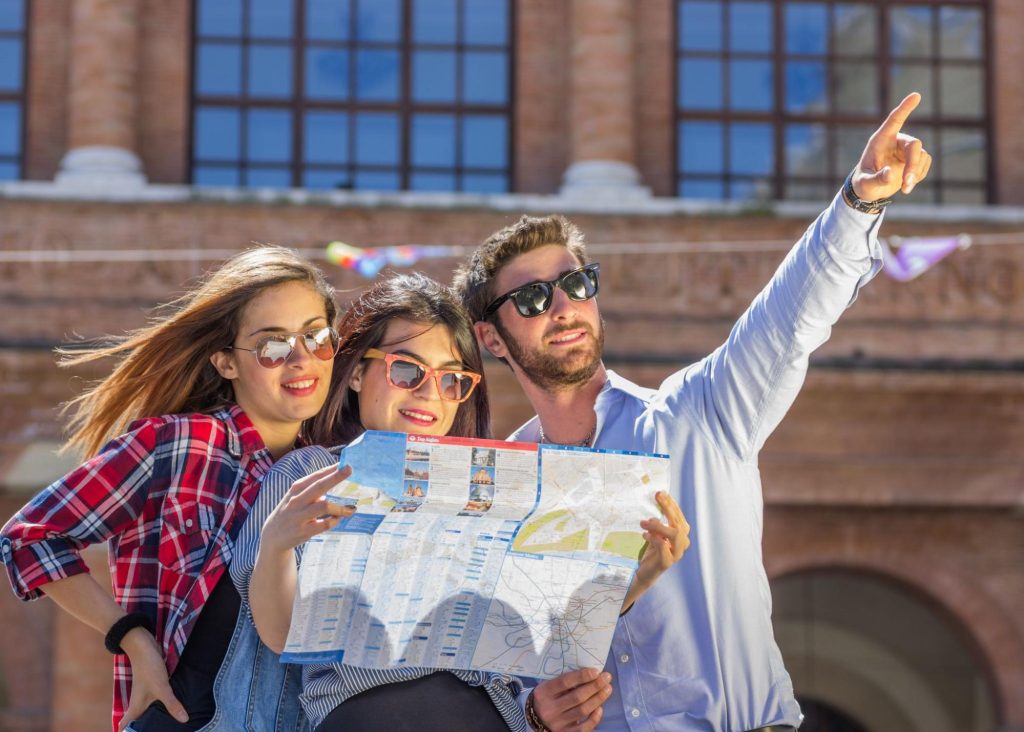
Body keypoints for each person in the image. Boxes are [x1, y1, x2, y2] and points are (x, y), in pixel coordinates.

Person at [452, 94, 933, 732]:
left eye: (576, 284)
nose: (564, 306)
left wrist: (860, 203)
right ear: (490, 338)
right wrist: (532, 713)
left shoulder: (699, 414)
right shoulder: (503, 492)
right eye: (534, 297)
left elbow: (787, 320)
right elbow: (498, 666)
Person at [232, 272, 688, 731]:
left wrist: (642, 577)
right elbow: (279, 634)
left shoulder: (495, 490)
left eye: (451, 379)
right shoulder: (308, 473)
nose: (429, 393)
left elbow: (541, 631)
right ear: (355, 373)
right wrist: (275, 546)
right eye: (406, 370)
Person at [0, 246, 340, 732]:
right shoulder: (176, 445)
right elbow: (29, 537)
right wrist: (132, 639)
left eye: (316, 336)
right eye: (273, 345)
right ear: (226, 363)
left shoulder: (336, 470)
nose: (302, 358)